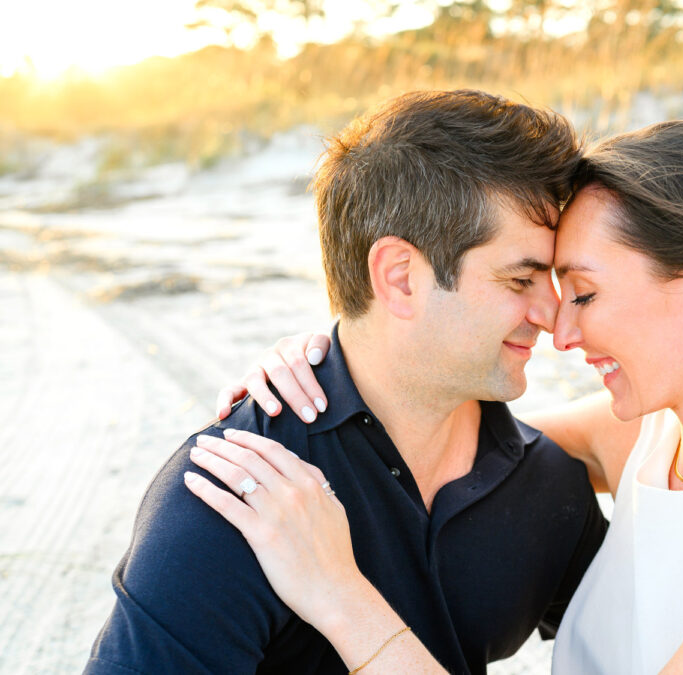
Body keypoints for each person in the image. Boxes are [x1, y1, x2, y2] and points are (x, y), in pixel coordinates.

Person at [204, 119, 683, 674]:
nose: (560, 328)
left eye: (584, 293)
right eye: (545, 288)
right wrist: (327, 361)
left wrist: (338, 594)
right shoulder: (654, 440)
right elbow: (428, 440)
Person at [85, 90, 610, 675]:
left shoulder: (548, 487)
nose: (555, 315)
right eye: (521, 280)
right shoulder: (242, 494)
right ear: (401, 278)